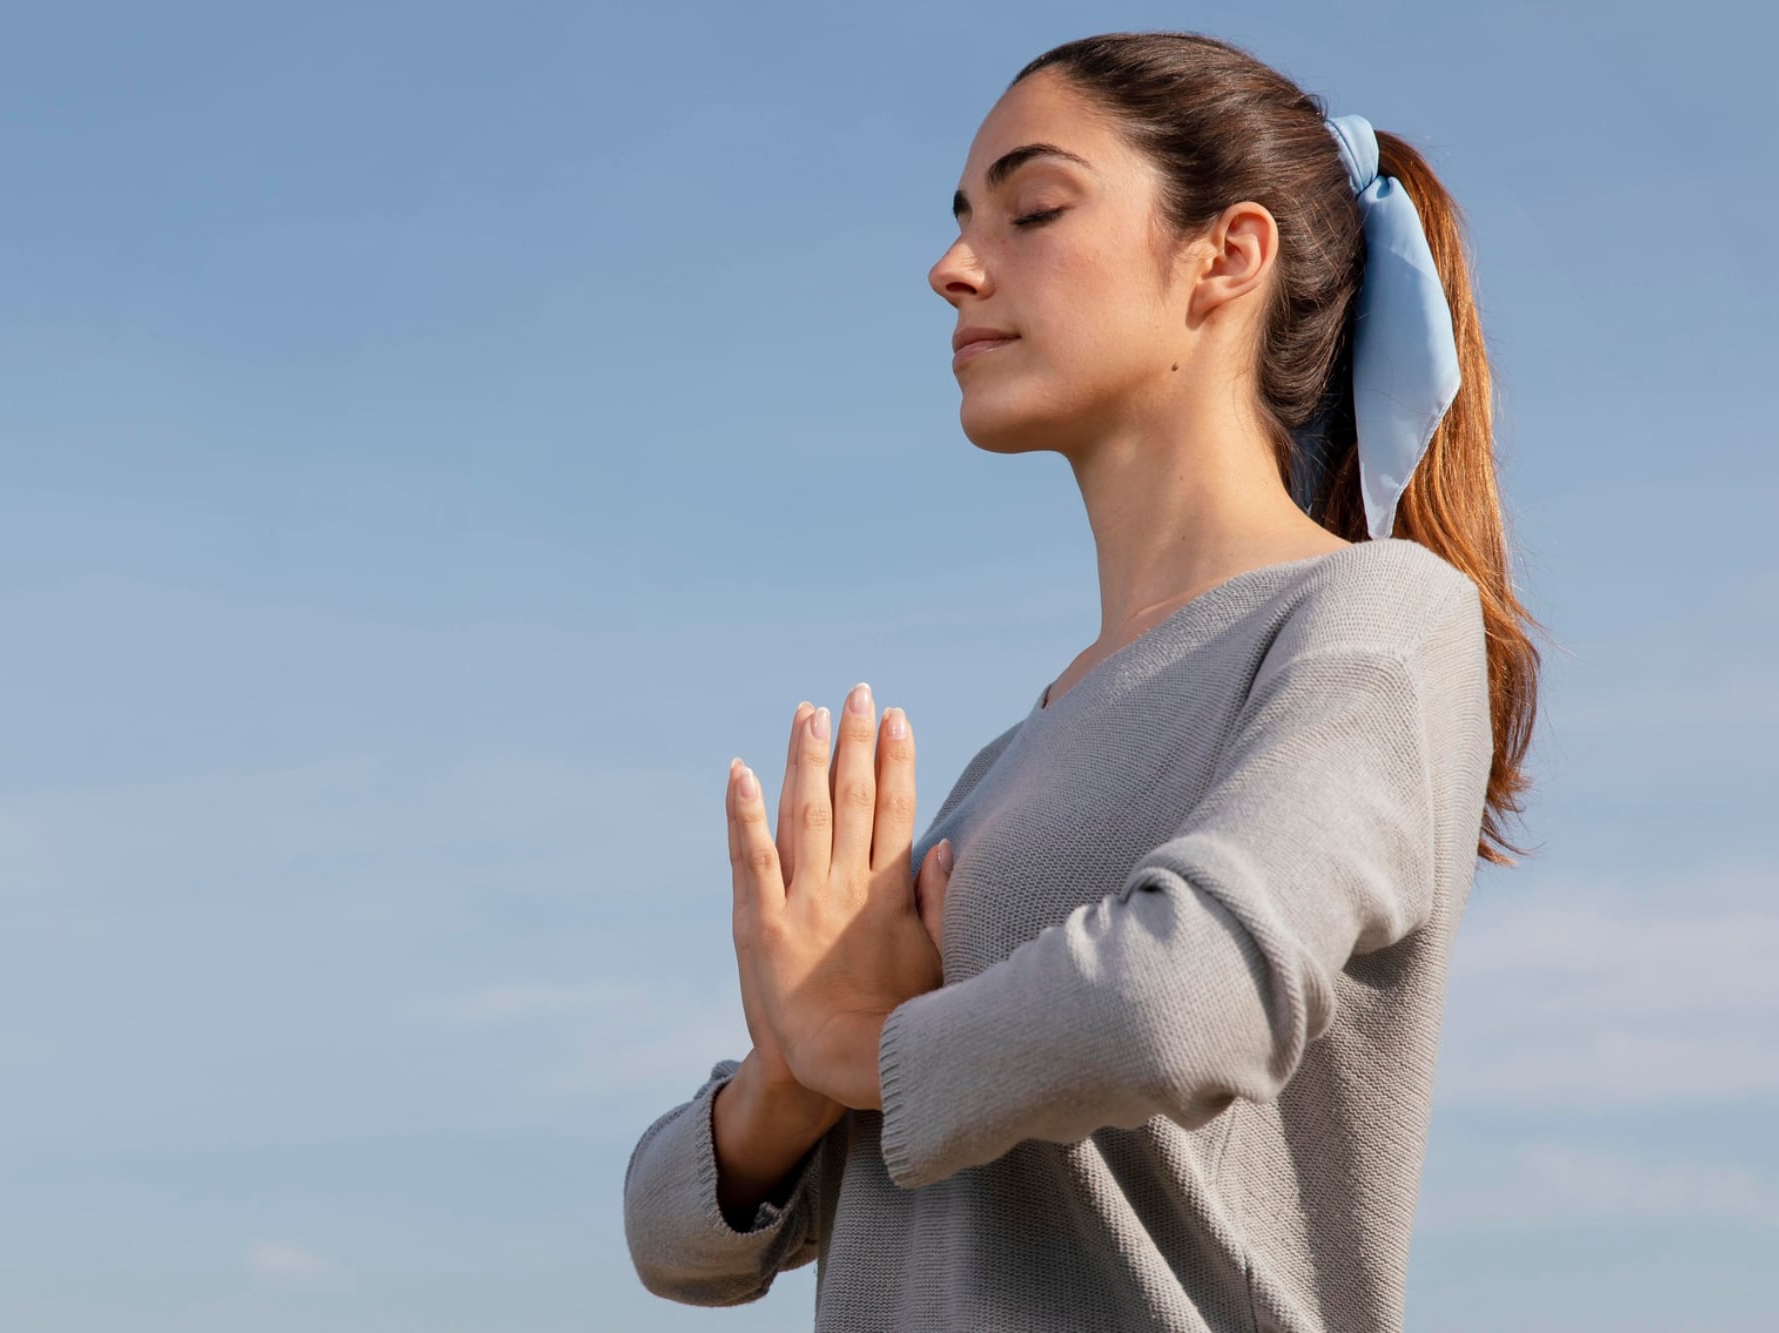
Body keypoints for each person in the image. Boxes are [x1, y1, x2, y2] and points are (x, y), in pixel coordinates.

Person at [623, 29, 1543, 1333]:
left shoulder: (1375, 618)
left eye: (1033, 208)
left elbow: (1183, 996)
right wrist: (788, 1078)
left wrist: (865, 1051)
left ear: (1225, 256)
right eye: (961, 221)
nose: (954, 267)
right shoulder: (1005, 771)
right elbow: (672, 1233)